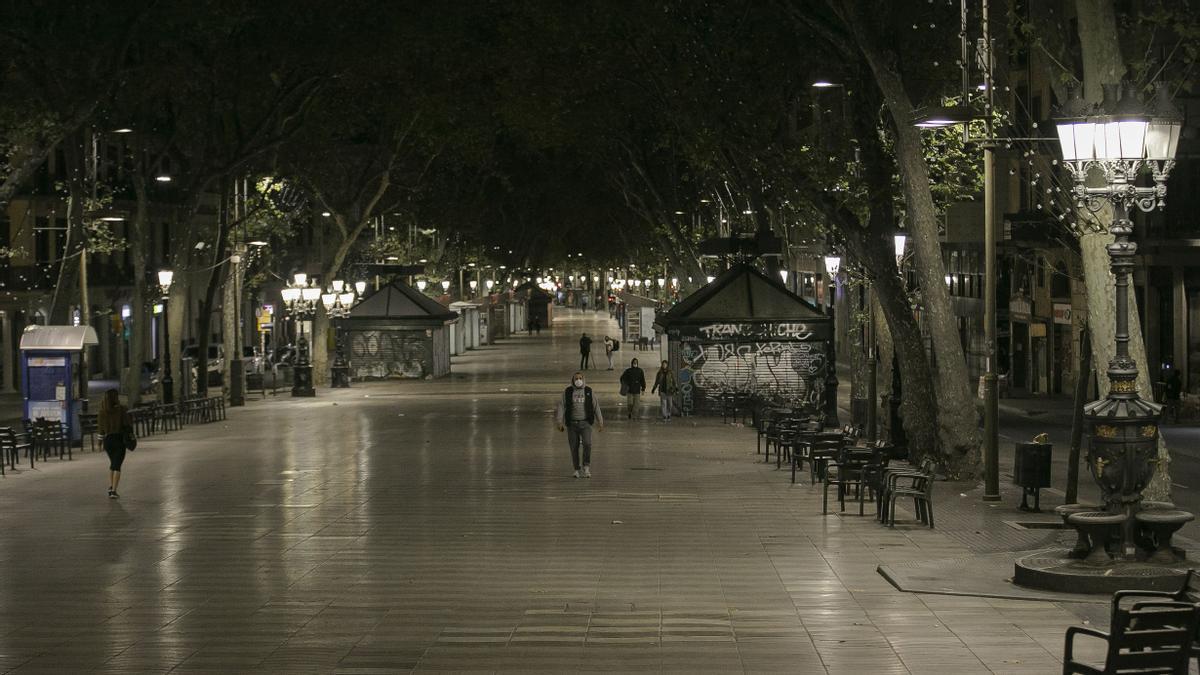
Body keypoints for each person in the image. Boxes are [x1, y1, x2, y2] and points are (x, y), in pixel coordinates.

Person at [555, 371, 604, 478]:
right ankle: (576, 469)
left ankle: (586, 466)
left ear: (583, 379)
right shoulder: (567, 392)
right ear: (573, 380)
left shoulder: (588, 391)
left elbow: (596, 407)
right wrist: (559, 422)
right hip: (572, 424)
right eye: (576, 378)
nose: (578, 380)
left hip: (585, 423)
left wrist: (600, 421)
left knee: (587, 444)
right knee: (574, 447)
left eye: (580, 378)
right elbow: (561, 406)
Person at [97, 389, 133, 499]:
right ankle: (113, 491)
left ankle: (111, 486)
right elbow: (128, 424)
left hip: (108, 441)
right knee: (117, 466)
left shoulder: (102, 412)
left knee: (113, 464)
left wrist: (99, 443)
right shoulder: (122, 410)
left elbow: (100, 430)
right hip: (119, 440)